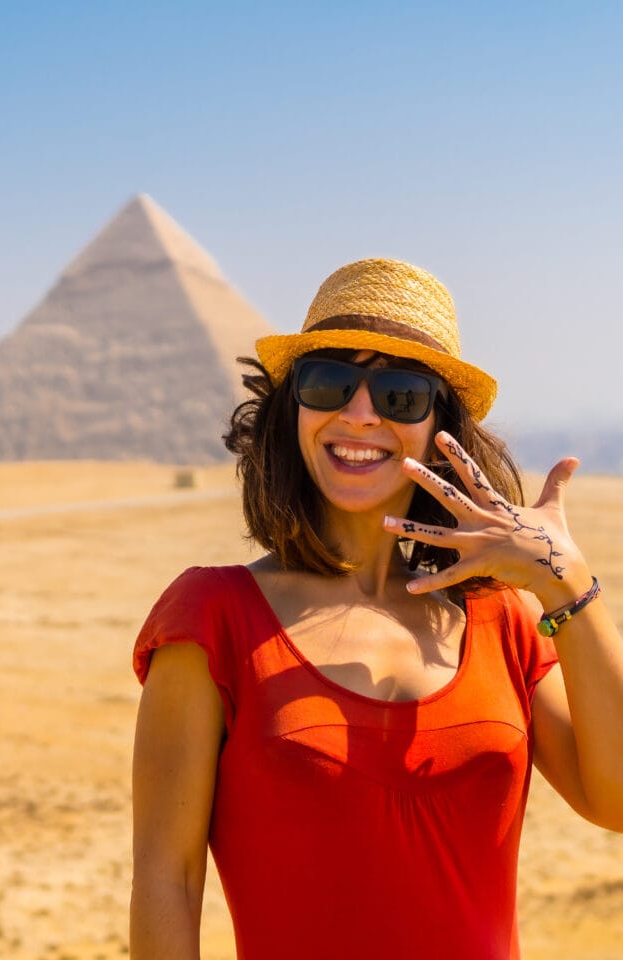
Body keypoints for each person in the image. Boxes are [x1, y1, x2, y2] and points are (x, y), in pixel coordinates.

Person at [129, 258, 623, 959]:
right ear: (291, 408)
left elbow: (617, 800)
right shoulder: (213, 618)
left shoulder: (503, 620)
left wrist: (568, 585)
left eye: (399, 394)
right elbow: (166, 878)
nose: (359, 413)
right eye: (329, 381)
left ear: (438, 427)